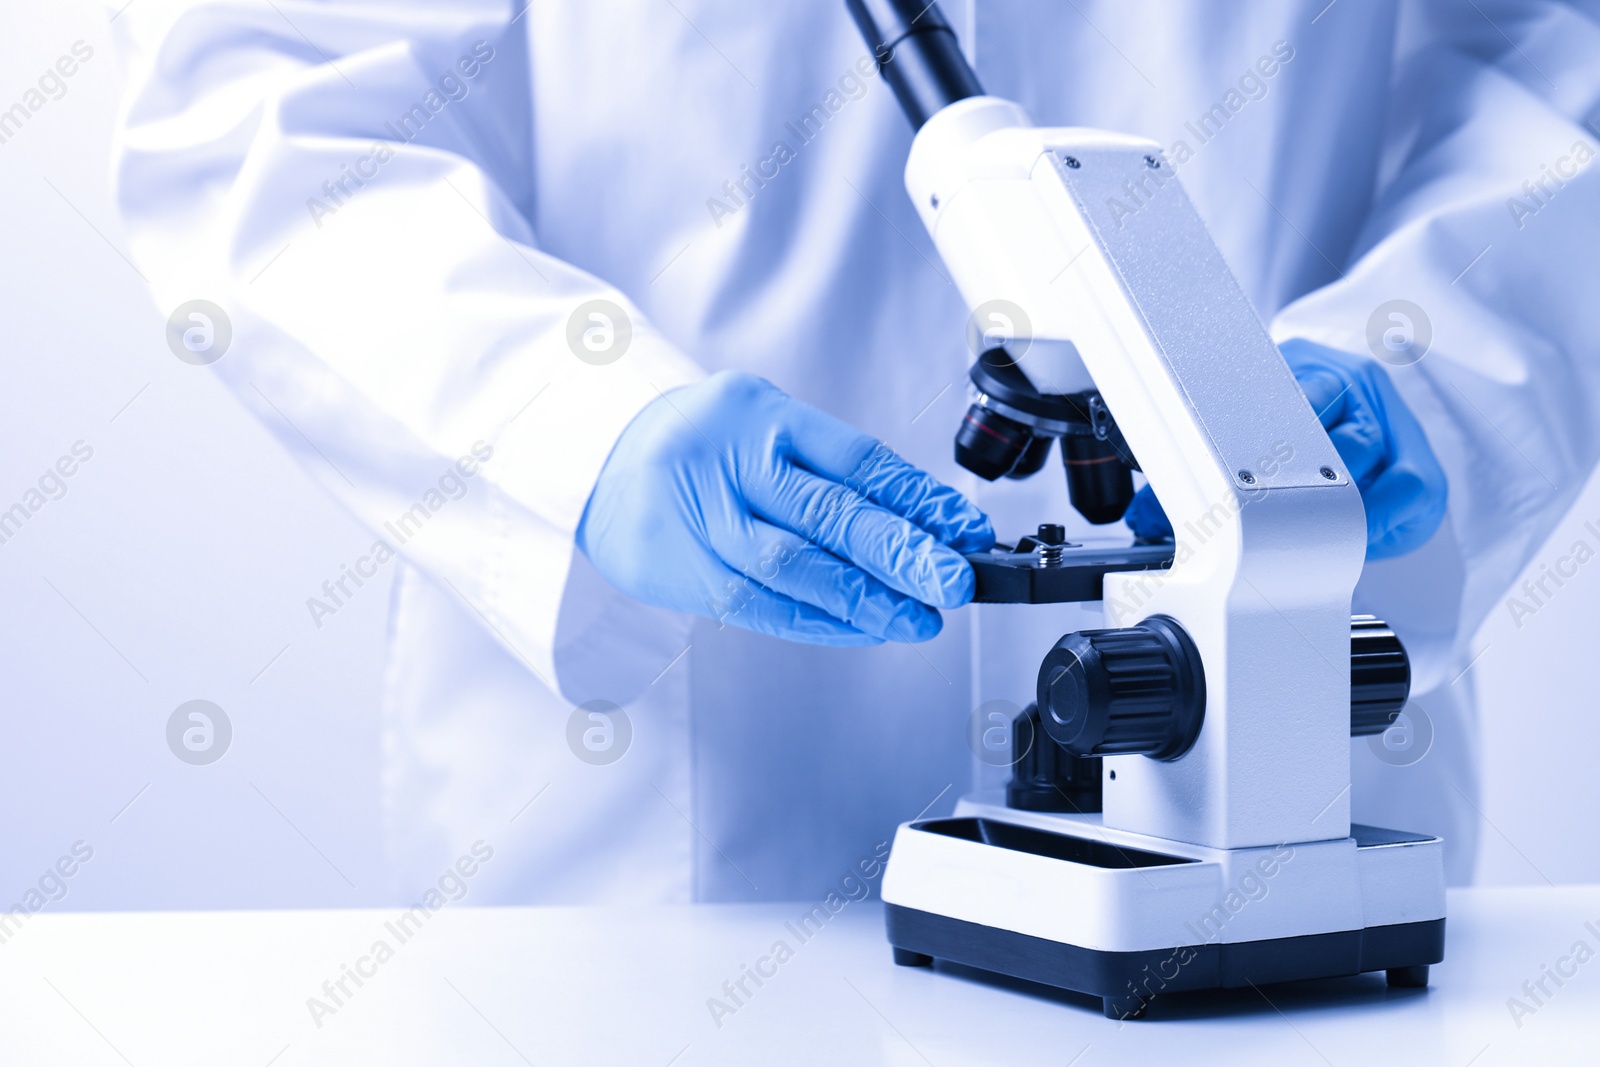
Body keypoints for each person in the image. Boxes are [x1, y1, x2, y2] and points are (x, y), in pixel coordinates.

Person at [112, 0, 1600, 899]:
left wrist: (1428, 356)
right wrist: (575, 427)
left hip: (1286, 793)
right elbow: (258, 108)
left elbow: (1558, 52)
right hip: (666, 841)